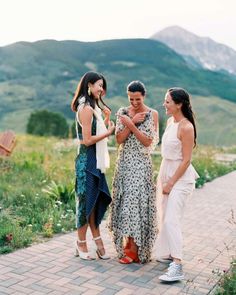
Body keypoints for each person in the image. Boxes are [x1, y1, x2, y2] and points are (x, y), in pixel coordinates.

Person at [108, 80, 159, 264]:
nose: (134, 103)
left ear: (143, 96)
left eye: (137, 99)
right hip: (124, 164)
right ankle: (128, 248)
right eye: (131, 99)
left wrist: (131, 124)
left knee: (136, 205)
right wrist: (129, 120)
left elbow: (147, 142)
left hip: (141, 164)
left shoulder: (153, 114)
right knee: (125, 205)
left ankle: (135, 250)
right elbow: (119, 140)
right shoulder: (122, 112)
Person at [154, 87, 199, 281]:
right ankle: (170, 253)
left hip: (181, 178)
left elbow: (186, 160)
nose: (164, 104)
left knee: (172, 218)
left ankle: (178, 265)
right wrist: (163, 178)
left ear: (179, 104)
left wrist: (171, 183)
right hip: (166, 172)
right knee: (164, 216)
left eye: (167, 101)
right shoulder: (171, 122)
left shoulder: (186, 127)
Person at [71, 71, 115, 260]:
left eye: (102, 86)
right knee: (85, 203)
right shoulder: (86, 108)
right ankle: (81, 243)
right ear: (89, 85)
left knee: (94, 201)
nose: (101, 89)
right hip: (86, 162)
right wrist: (109, 132)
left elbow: (95, 133)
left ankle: (97, 239)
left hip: (94, 161)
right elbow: (87, 140)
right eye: (99, 85)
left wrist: (105, 120)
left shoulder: (93, 107)